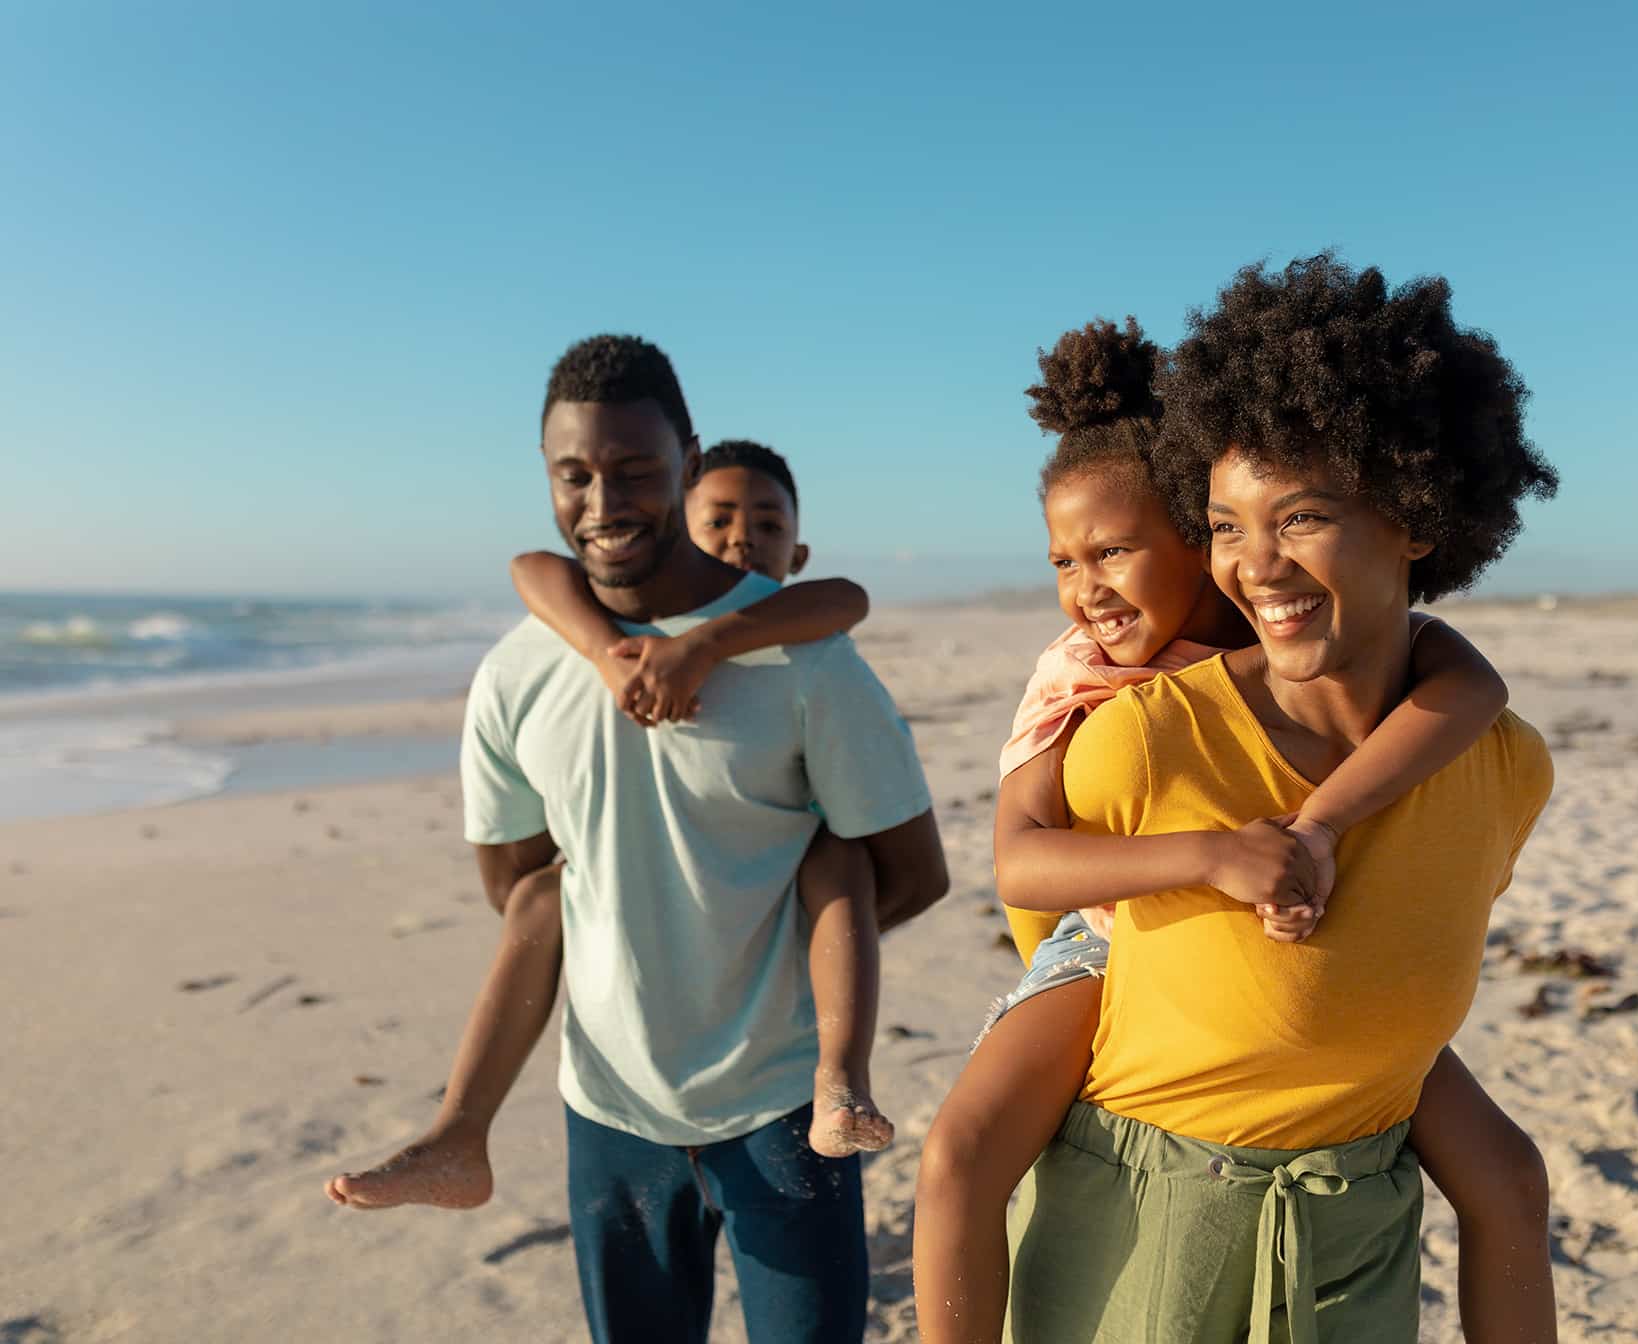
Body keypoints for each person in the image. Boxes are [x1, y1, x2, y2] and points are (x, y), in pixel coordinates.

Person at [999, 259, 1559, 1342]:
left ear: (1418, 513)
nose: (1255, 565)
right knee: (957, 1157)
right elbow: (1037, 907)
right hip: (1145, 1253)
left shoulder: (1501, 768)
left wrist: (1322, 828)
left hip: (1353, 1253)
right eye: (1223, 525)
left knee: (1512, 1179)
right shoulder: (1138, 741)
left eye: (1298, 517)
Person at [348, 334, 946, 1344]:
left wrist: (757, 959)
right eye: (573, 474)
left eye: (633, 470)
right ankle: (459, 1130)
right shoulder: (516, 674)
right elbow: (520, 888)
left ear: (685, 457)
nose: (603, 501)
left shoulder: (803, 660)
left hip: (782, 1105)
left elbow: (914, 873)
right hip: (610, 1111)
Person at [324, 442, 897, 1224]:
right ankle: (459, 1129)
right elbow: (531, 566)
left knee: (839, 862)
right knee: (539, 892)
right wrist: (607, 654)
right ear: (676, 526)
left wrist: (704, 644)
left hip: (784, 977)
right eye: (719, 519)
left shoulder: (802, 647)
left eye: (766, 525)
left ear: (793, 550)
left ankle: (840, 1078)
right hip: (613, 1082)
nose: (741, 539)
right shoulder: (567, 647)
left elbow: (847, 596)